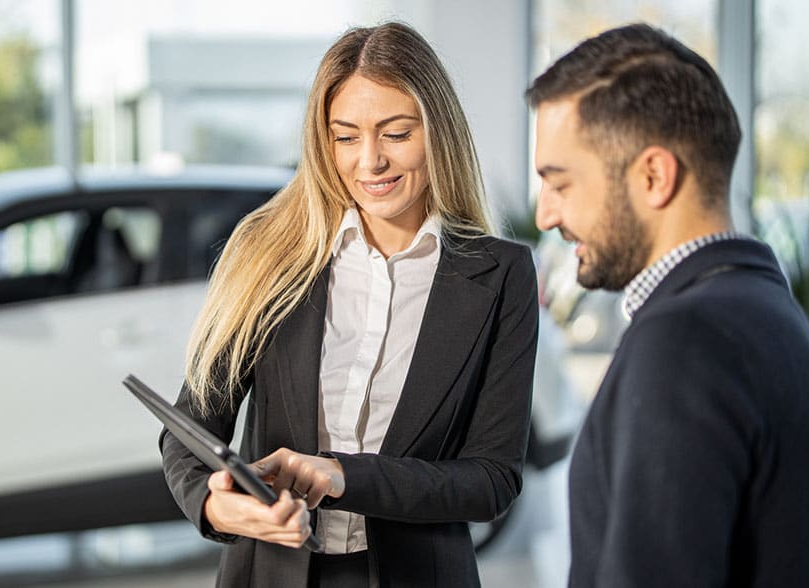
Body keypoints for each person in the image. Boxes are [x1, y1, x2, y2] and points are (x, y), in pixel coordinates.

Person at [160, 22, 538, 587]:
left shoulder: (501, 275)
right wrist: (219, 508)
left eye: (396, 133)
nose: (370, 162)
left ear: (439, 132)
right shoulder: (269, 256)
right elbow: (187, 435)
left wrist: (343, 476)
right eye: (345, 137)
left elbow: (491, 480)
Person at [527, 24, 809, 587]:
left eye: (560, 183)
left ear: (654, 175)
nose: (545, 215)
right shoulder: (779, 322)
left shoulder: (683, 344)